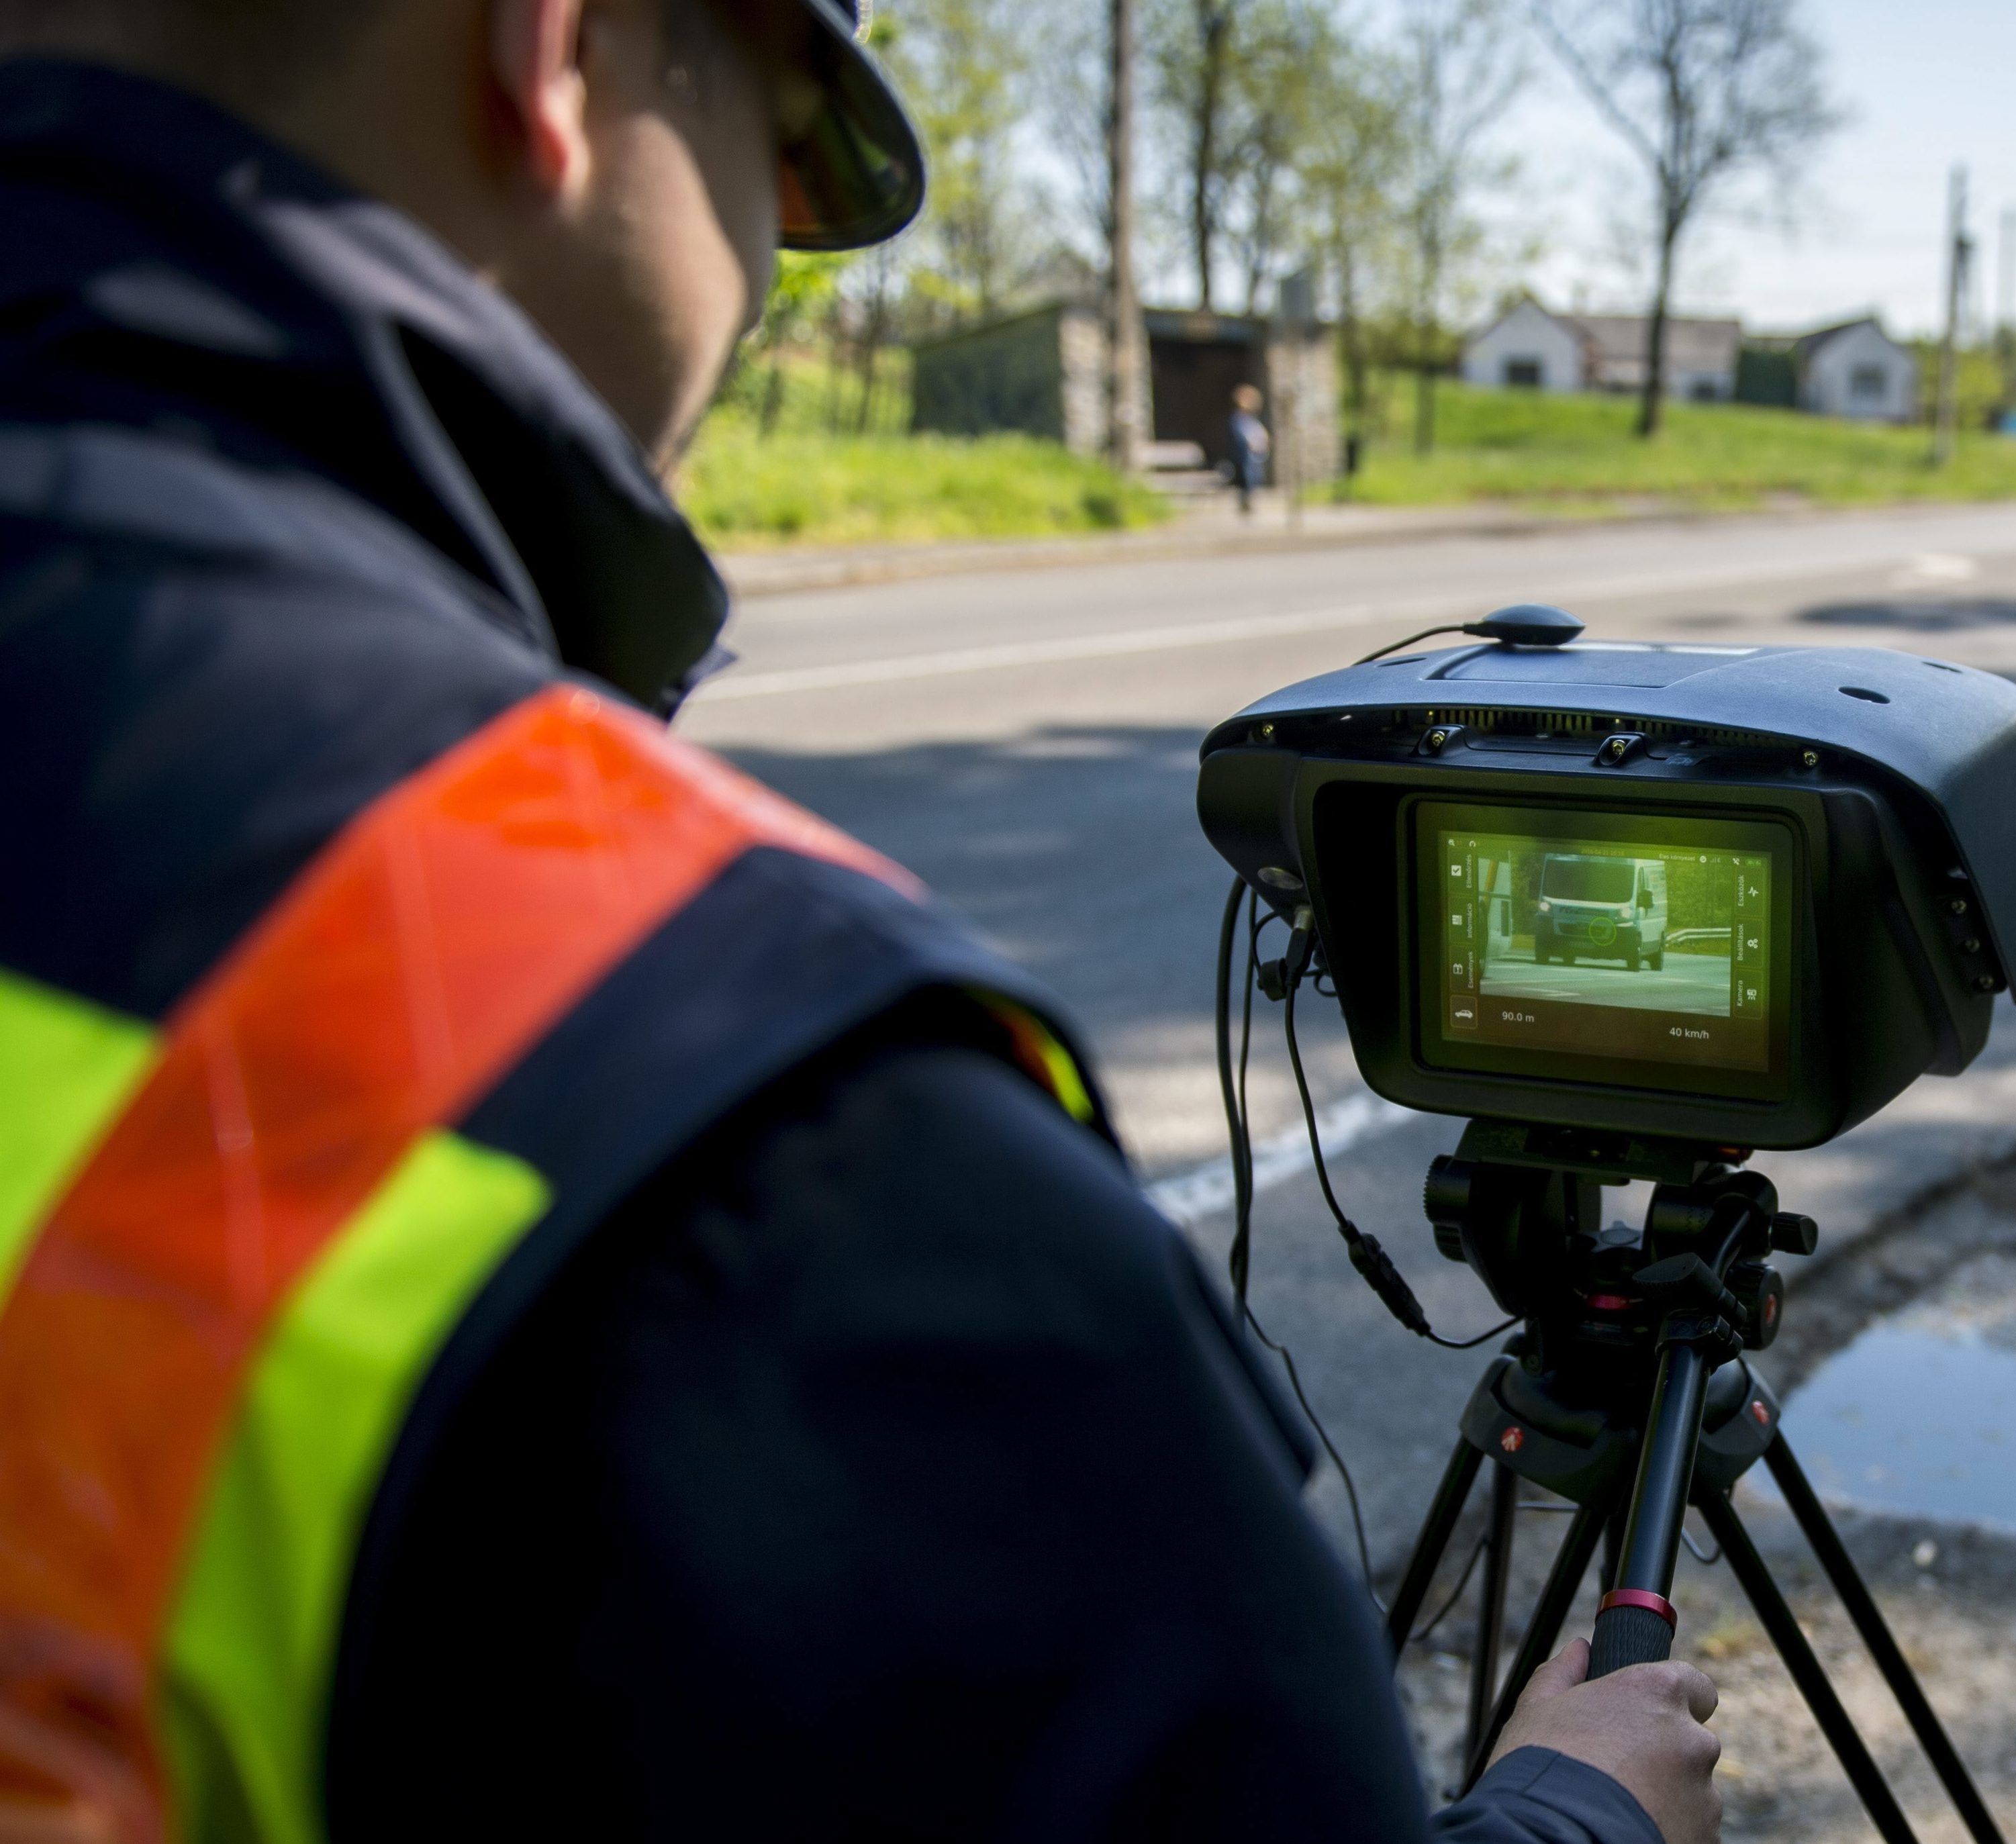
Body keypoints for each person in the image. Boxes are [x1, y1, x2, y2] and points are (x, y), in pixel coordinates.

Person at [0, 4, 1721, 1842]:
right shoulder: (757, 1128)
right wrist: (1580, 1811)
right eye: (788, 142)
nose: (766, 261)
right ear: (547, 48)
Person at [1227, 381, 1273, 516]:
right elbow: (1240, 437)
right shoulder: (1238, 419)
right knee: (1247, 478)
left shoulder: (1251, 419)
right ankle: (1245, 502)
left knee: (1254, 478)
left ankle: (1248, 501)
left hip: (1255, 454)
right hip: (1245, 454)